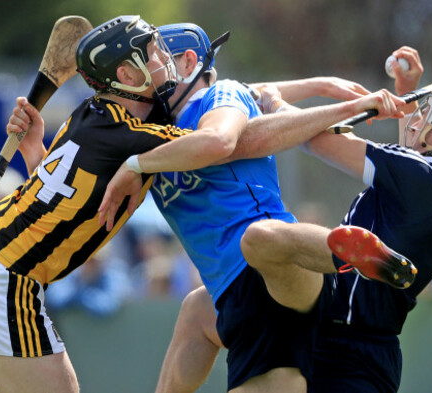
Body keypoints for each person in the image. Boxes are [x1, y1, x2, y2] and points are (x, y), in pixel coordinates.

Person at [138, 46, 432, 393]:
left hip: (351, 345)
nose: (416, 119)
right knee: (200, 306)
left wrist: (275, 105)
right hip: (347, 330)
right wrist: (406, 91)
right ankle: (352, 253)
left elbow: (319, 141)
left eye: (428, 116)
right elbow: (406, 160)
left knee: (261, 239)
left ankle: (347, 256)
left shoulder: (421, 177)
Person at [98, 24, 415, 392]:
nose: (151, 72)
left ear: (187, 62)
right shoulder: (152, 137)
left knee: (258, 238)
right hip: (231, 295)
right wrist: (323, 84)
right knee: (193, 311)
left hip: (280, 271)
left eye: (158, 58)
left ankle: (351, 255)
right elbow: (267, 92)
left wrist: (137, 164)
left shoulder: (217, 97)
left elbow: (222, 136)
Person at [0, 15, 195, 392]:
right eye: (154, 51)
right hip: (3, 276)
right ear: (128, 76)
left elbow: (53, 200)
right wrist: (249, 105)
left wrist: (36, 154)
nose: (165, 57)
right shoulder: (130, 134)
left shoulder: (86, 114)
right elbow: (222, 143)